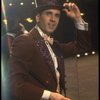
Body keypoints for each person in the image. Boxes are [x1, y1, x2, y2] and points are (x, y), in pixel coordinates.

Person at [8, 0, 91, 100]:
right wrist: (49, 95)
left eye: (57, 15)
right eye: (49, 14)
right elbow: (14, 85)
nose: (53, 19)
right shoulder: (25, 41)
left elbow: (82, 46)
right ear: (37, 17)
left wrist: (78, 19)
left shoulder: (54, 45)